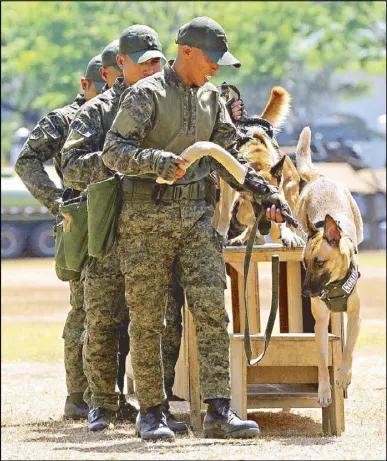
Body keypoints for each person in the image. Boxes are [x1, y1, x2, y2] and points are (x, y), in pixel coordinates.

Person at [101, 16, 295, 441]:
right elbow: (113, 152)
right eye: (212, 59)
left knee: (211, 312)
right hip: (146, 221)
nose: (217, 69)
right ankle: (152, 412)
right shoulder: (144, 95)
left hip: (197, 220)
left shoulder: (212, 100)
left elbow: (230, 157)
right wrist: (157, 163)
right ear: (186, 51)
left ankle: (218, 410)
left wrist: (267, 195)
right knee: (148, 319)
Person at [61, 25, 187, 434]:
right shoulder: (97, 112)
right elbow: (72, 167)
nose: (152, 69)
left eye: (156, 61)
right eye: (144, 62)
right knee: (102, 320)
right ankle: (102, 403)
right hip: (109, 230)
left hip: (156, 231)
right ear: (121, 65)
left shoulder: (167, 104)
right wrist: (121, 159)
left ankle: (157, 404)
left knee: (163, 323)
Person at [14, 55, 106, 420]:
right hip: (80, 222)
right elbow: (26, 160)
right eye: (103, 84)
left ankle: (106, 394)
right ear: (86, 85)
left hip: (116, 221)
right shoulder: (65, 119)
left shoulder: (124, 110)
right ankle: (77, 396)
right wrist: (56, 201)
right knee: (82, 310)